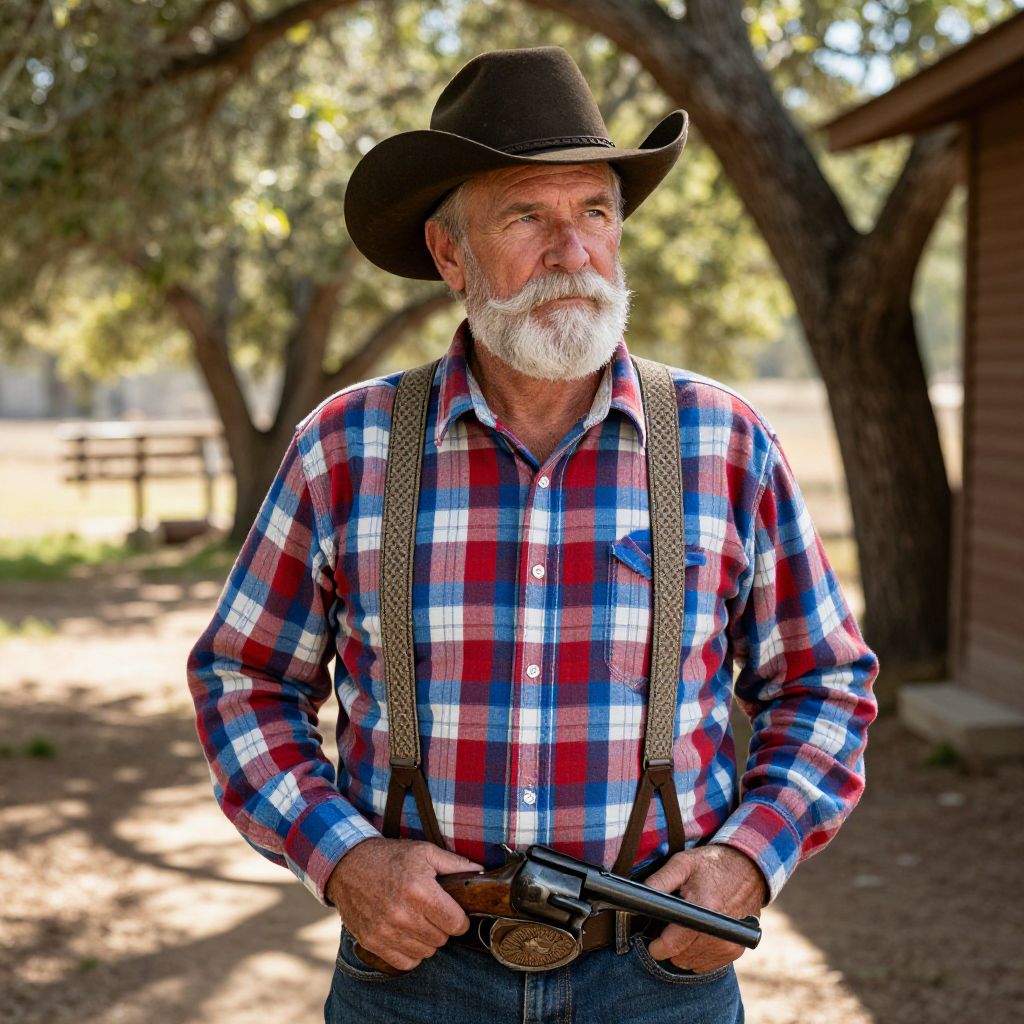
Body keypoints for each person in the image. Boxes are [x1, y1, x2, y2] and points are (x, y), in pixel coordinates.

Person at [188, 47, 878, 1024]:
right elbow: (242, 680)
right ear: (448, 254)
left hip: (657, 980)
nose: (573, 250)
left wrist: (746, 860)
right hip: (414, 978)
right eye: (527, 217)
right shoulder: (345, 447)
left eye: (594, 212)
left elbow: (824, 684)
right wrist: (340, 857)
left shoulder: (723, 443)